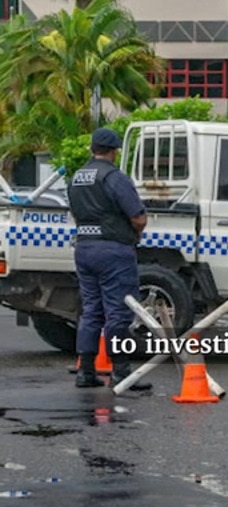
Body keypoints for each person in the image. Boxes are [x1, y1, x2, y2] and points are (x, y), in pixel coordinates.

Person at [67, 127, 152, 391]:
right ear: (114, 151)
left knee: (91, 310)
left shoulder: (76, 177)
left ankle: (86, 372)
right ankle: (120, 372)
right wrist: (136, 231)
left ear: (92, 147)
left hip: (84, 247)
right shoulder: (114, 178)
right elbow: (138, 217)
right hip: (113, 249)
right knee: (118, 311)